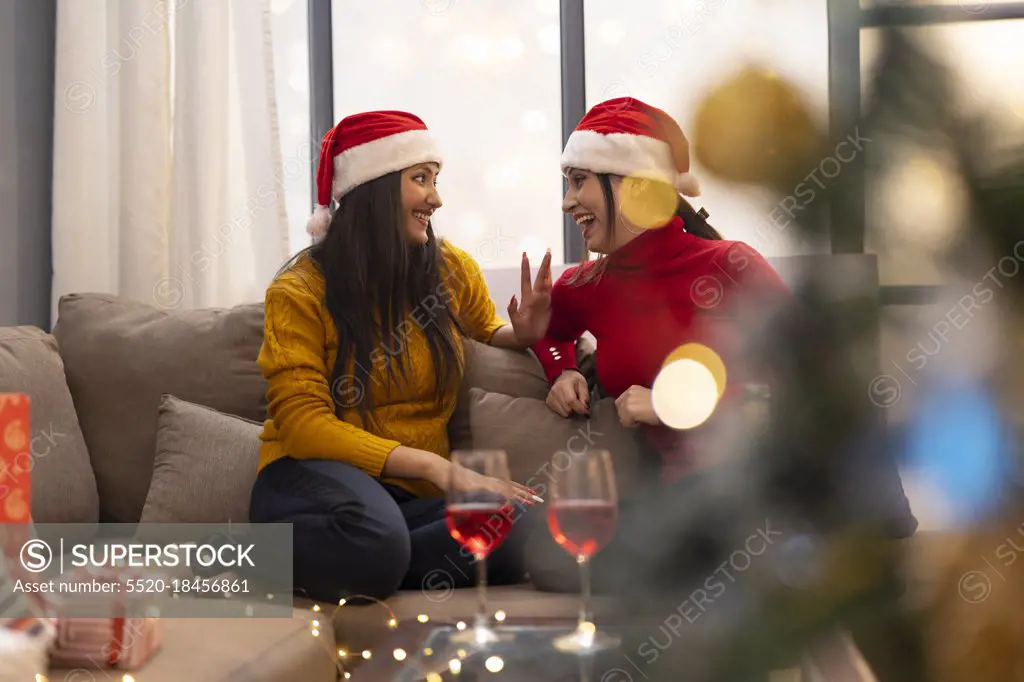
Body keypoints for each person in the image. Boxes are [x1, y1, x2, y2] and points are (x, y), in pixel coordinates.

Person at [248, 110, 553, 603]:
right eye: (420, 180)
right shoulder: (298, 291)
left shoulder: (449, 268)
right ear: (376, 187)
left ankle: (372, 562)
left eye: (435, 180)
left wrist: (524, 334)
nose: (436, 197)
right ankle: (334, 554)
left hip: (401, 505)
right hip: (310, 486)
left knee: (530, 526)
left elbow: (485, 326)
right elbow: (304, 426)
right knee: (375, 534)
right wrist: (438, 469)